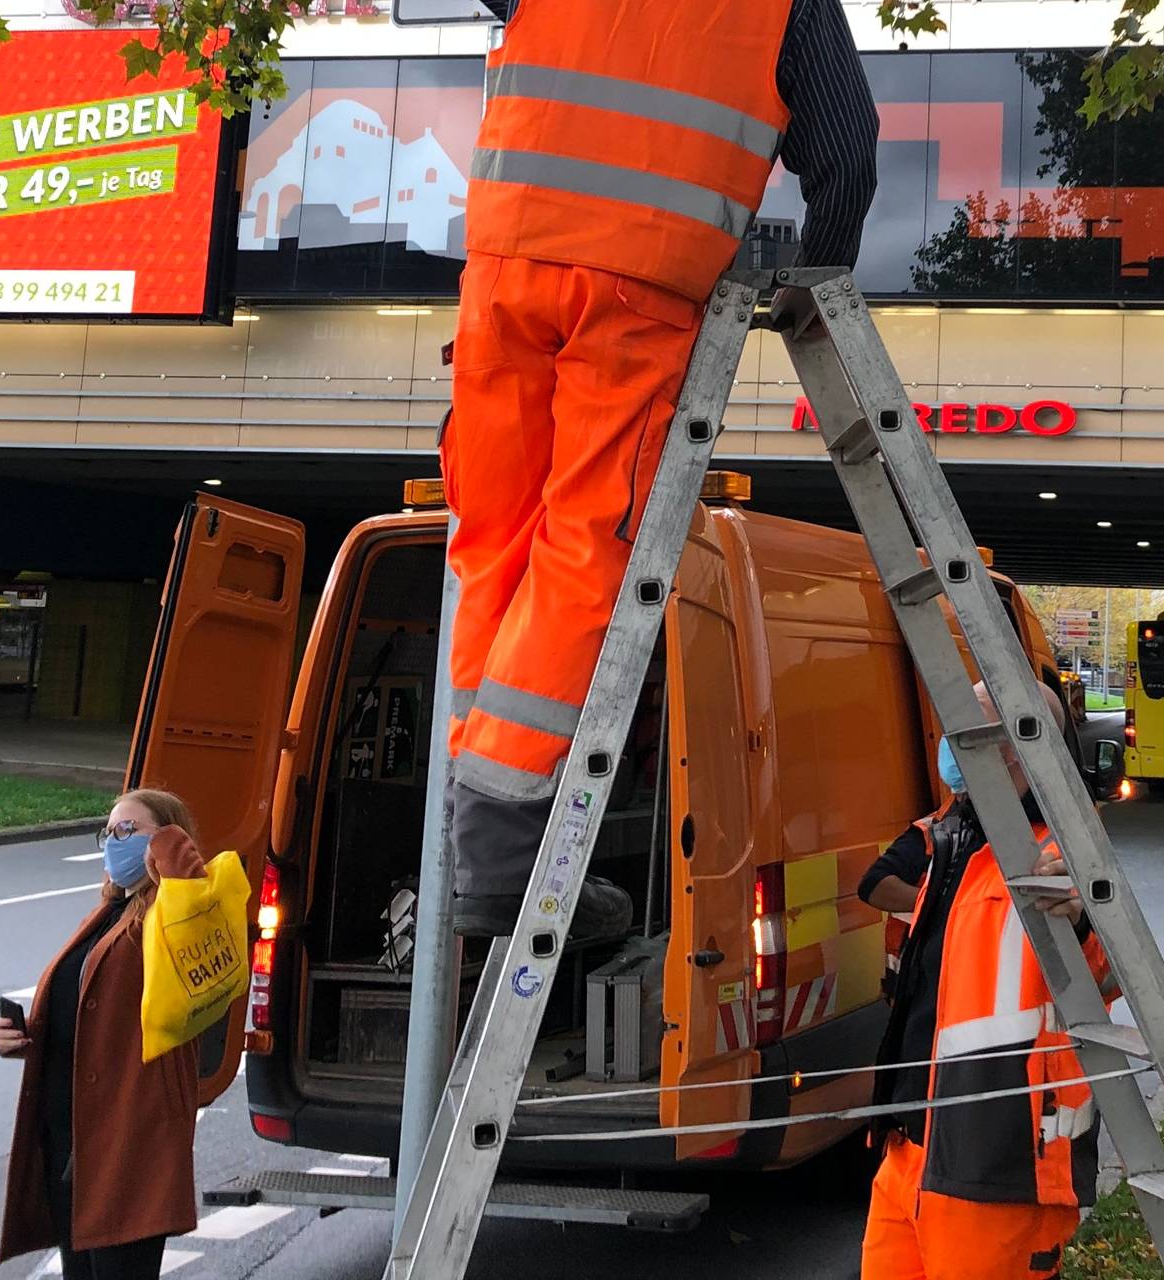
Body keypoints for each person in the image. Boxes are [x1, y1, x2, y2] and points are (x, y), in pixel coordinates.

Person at [441, 0, 879, 941]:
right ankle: (504, 850)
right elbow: (848, 152)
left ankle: (474, 827)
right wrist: (818, 280)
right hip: (637, 284)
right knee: (585, 547)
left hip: (506, 264)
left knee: (493, 543)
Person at [855, 684, 1109, 1280]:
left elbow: (1109, 978)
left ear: (1020, 749)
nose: (954, 743)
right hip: (910, 1148)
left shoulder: (1060, 854)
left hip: (996, 1167)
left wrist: (1078, 918)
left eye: (972, 728)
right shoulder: (953, 839)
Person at [0, 789, 219, 1280]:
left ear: (166, 839)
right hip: (73, 1143)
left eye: (128, 830)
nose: (114, 842)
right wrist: (25, 1038)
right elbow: (92, 1014)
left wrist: (172, 849)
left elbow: (198, 916)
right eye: (108, 832)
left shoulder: (174, 918)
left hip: (128, 1143)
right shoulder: (106, 915)